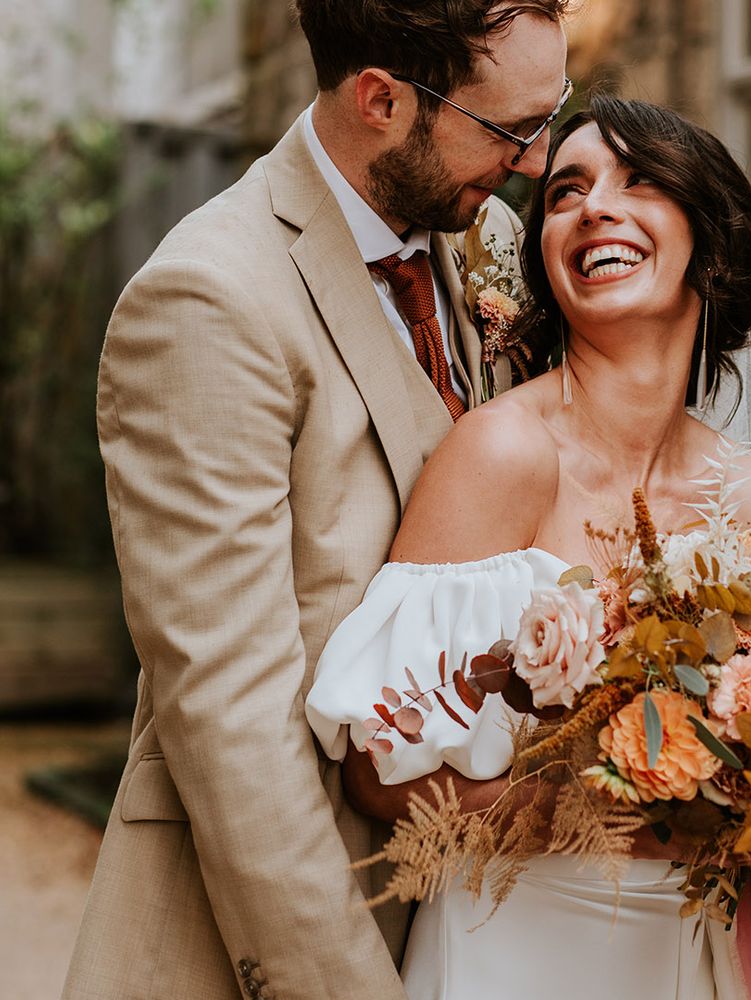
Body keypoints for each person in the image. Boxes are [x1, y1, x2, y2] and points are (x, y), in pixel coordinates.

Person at [306, 96, 751, 999]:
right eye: (565, 193)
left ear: (712, 237)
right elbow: (377, 776)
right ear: (549, 259)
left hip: (715, 959)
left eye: (640, 181)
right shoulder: (504, 456)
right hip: (520, 952)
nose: (593, 208)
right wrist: (624, 808)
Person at [62, 4, 572, 999]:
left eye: (551, 117)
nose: (535, 161)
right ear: (379, 99)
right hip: (281, 927)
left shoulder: (489, 240)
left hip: (474, 918)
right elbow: (230, 716)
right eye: (510, 130)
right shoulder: (209, 301)